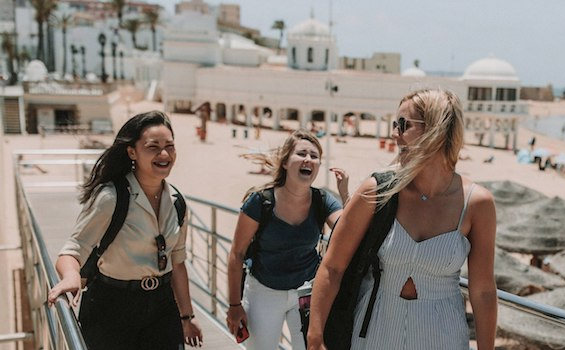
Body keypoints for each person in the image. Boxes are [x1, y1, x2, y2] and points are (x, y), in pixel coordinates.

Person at [307, 89, 498, 350]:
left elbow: (484, 290)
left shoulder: (477, 203)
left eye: (403, 125)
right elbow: (333, 267)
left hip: (444, 335)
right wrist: (315, 339)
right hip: (375, 330)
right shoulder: (377, 190)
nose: (394, 134)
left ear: (435, 129)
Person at [47, 111, 203, 349]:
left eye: (169, 146)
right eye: (153, 147)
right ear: (132, 152)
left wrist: (187, 317)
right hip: (112, 305)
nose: (164, 154)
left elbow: (177, 263)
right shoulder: (111, 197)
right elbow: (73, 249)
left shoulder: (177, 202)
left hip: (161, 305)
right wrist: (71, 277)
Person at [225, 130, 349, 350]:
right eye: (301, 153)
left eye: (314, 156)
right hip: (264, 291)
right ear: (285, 162)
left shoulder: (322, 200)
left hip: (307, 293)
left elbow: (346, 231)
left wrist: (345, 196)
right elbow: (237, 254)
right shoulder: (260, 201)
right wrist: (234, 305)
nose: (308, 160)